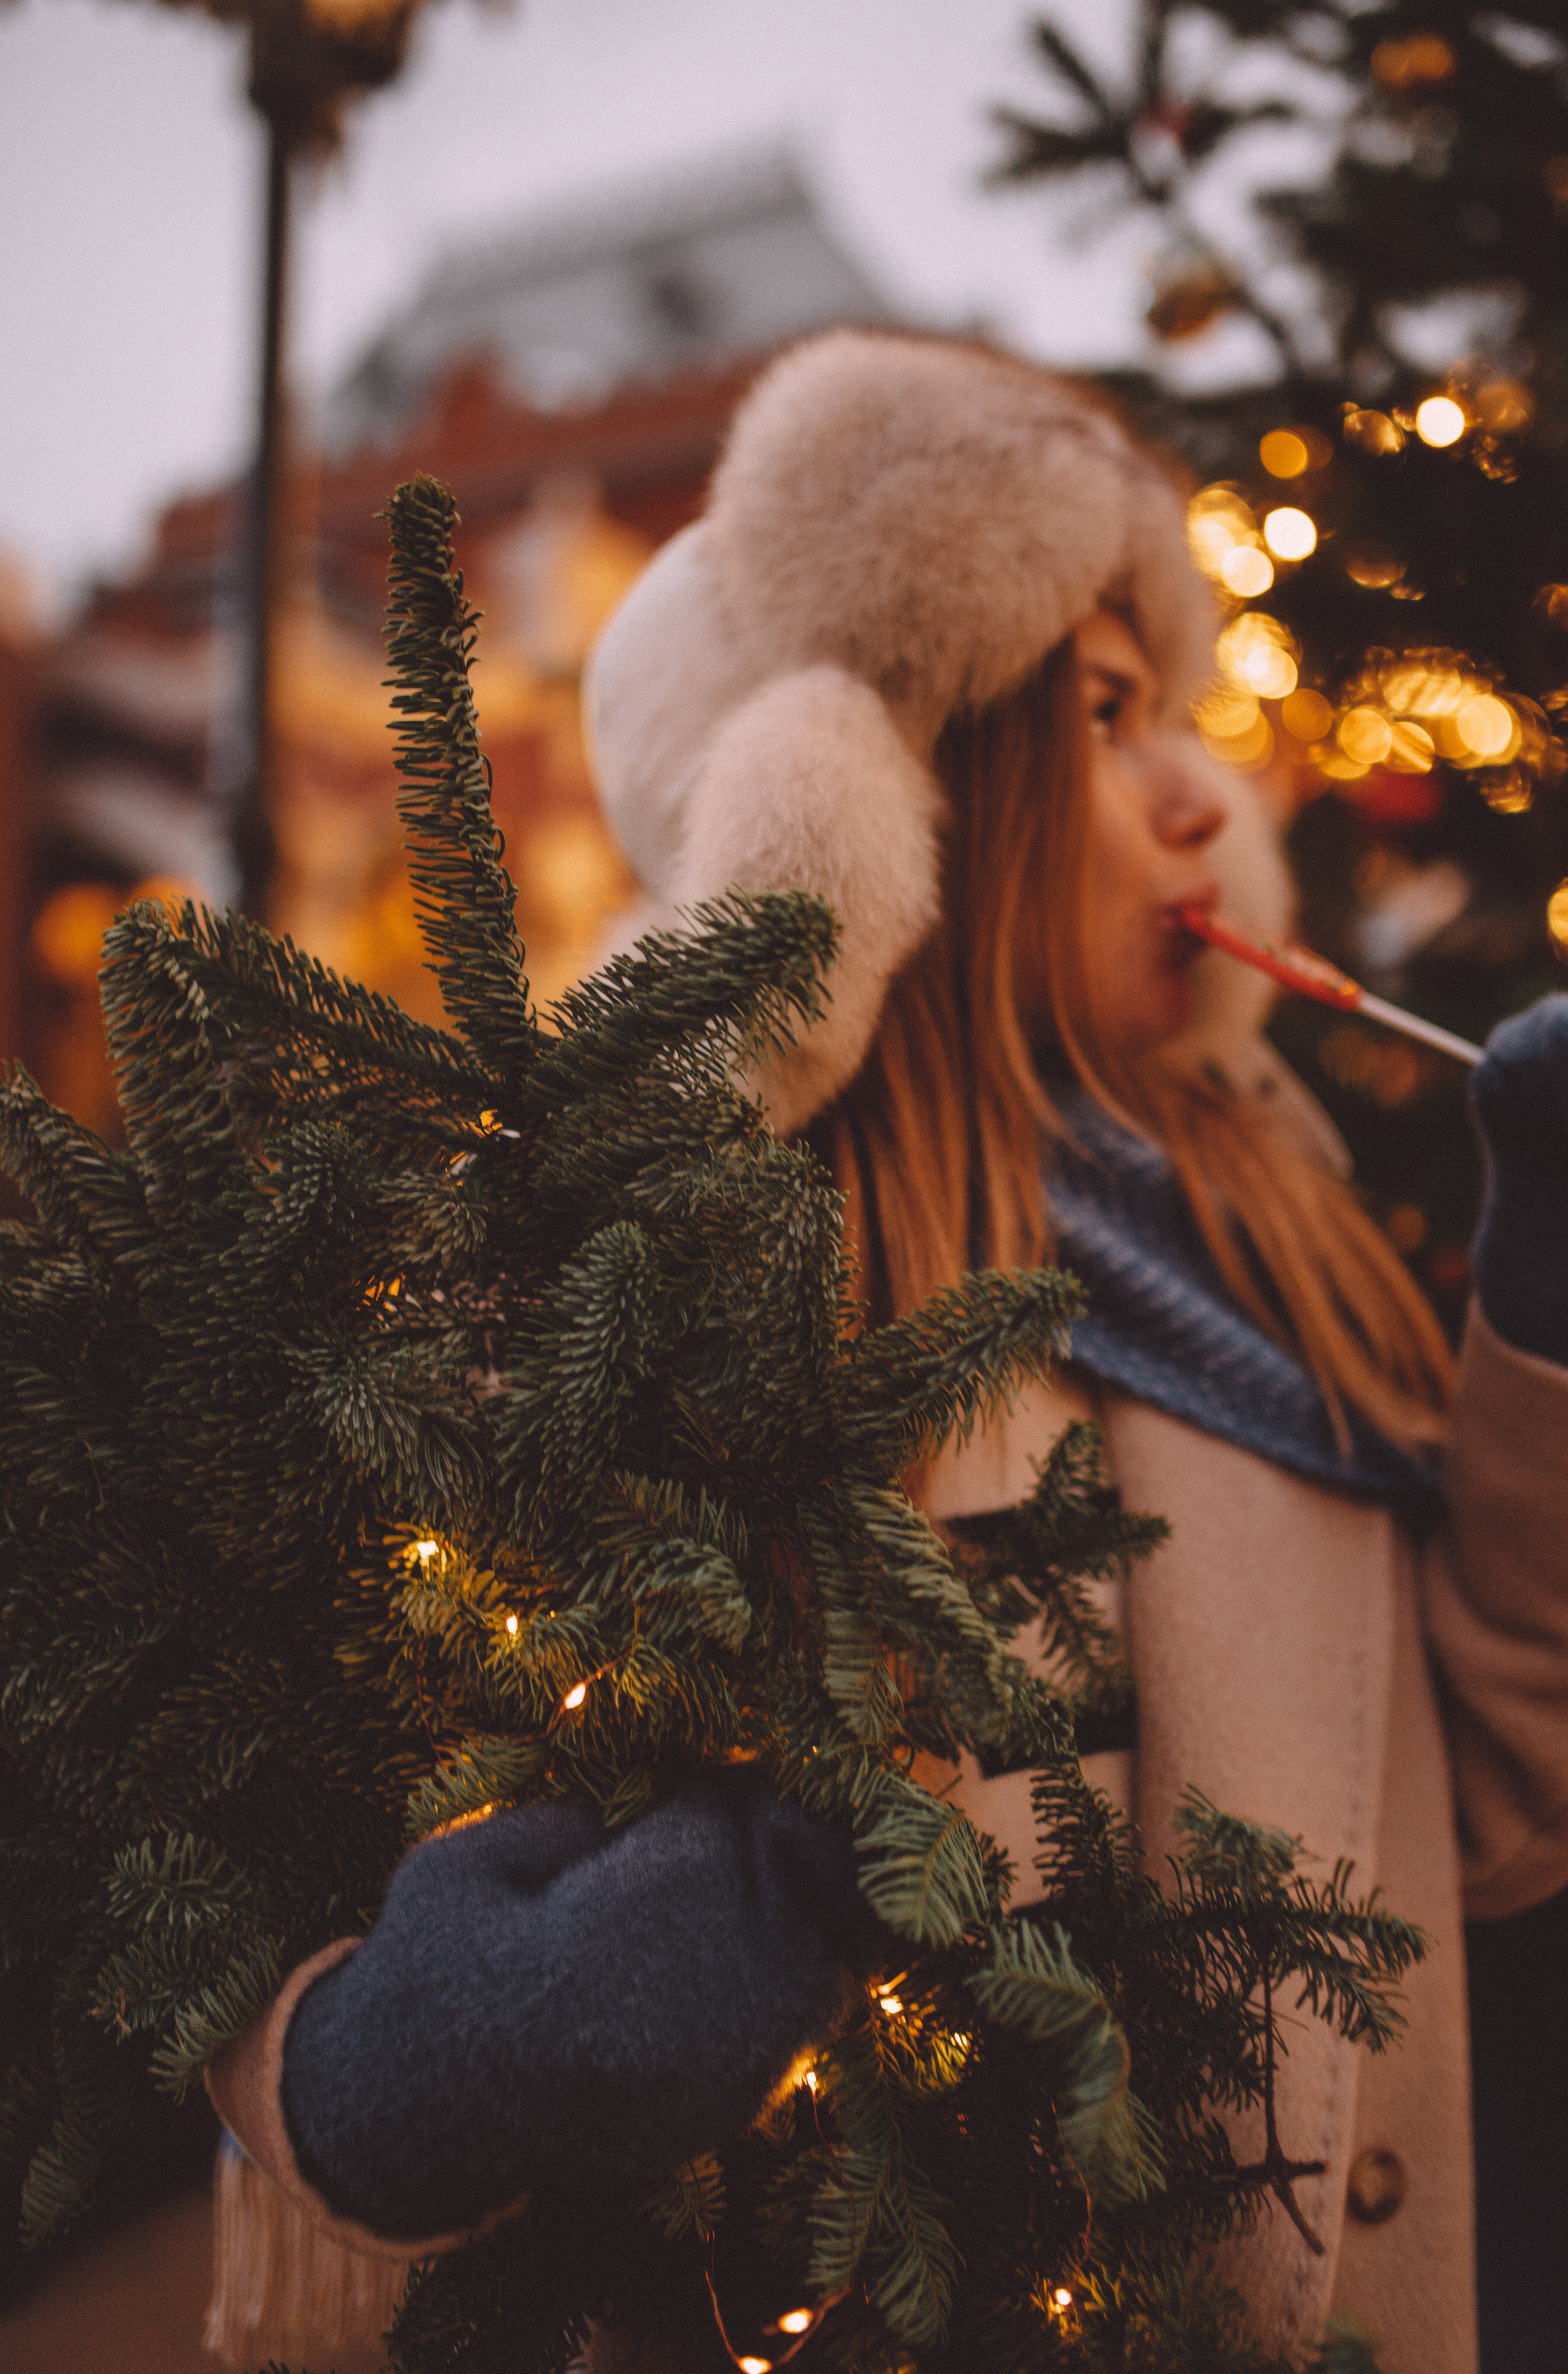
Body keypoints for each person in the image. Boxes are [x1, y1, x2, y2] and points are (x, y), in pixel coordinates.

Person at [205, 332, 1568, 2374]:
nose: (1208, 790)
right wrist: (360, 2065)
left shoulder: (1271, 1222)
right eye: (1106, 721)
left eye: (1174, 712)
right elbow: (249, 1845)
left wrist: (1543, 1328)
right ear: (875, 809)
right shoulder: (693, 1306)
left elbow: (1490, 1806)